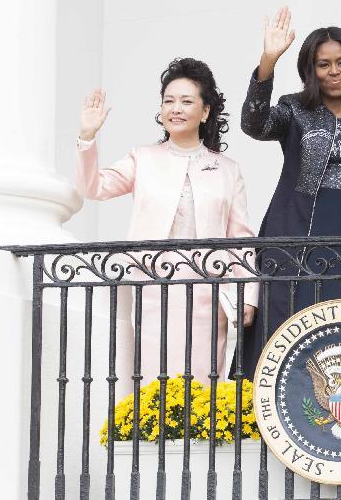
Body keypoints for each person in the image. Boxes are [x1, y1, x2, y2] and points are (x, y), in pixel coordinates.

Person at [230, 7, 341, 381]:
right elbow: (253, 124)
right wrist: (267, 62)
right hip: (291, 242)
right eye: (323, 64)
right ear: (311, 70)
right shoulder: (295, 110)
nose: (334, 72)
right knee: (283, 345)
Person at [75, 57, 257, 388]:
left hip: (208, 290)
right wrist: (87, 138)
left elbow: (241, 238)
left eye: (187, 101)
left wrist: (247, 294)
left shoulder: (227, 169)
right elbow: (93, 187)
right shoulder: (142, 158)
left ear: (204, 112)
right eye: (169, 101)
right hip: (152, 284)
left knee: (203, 382)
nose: (176, 108)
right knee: (152, 378)